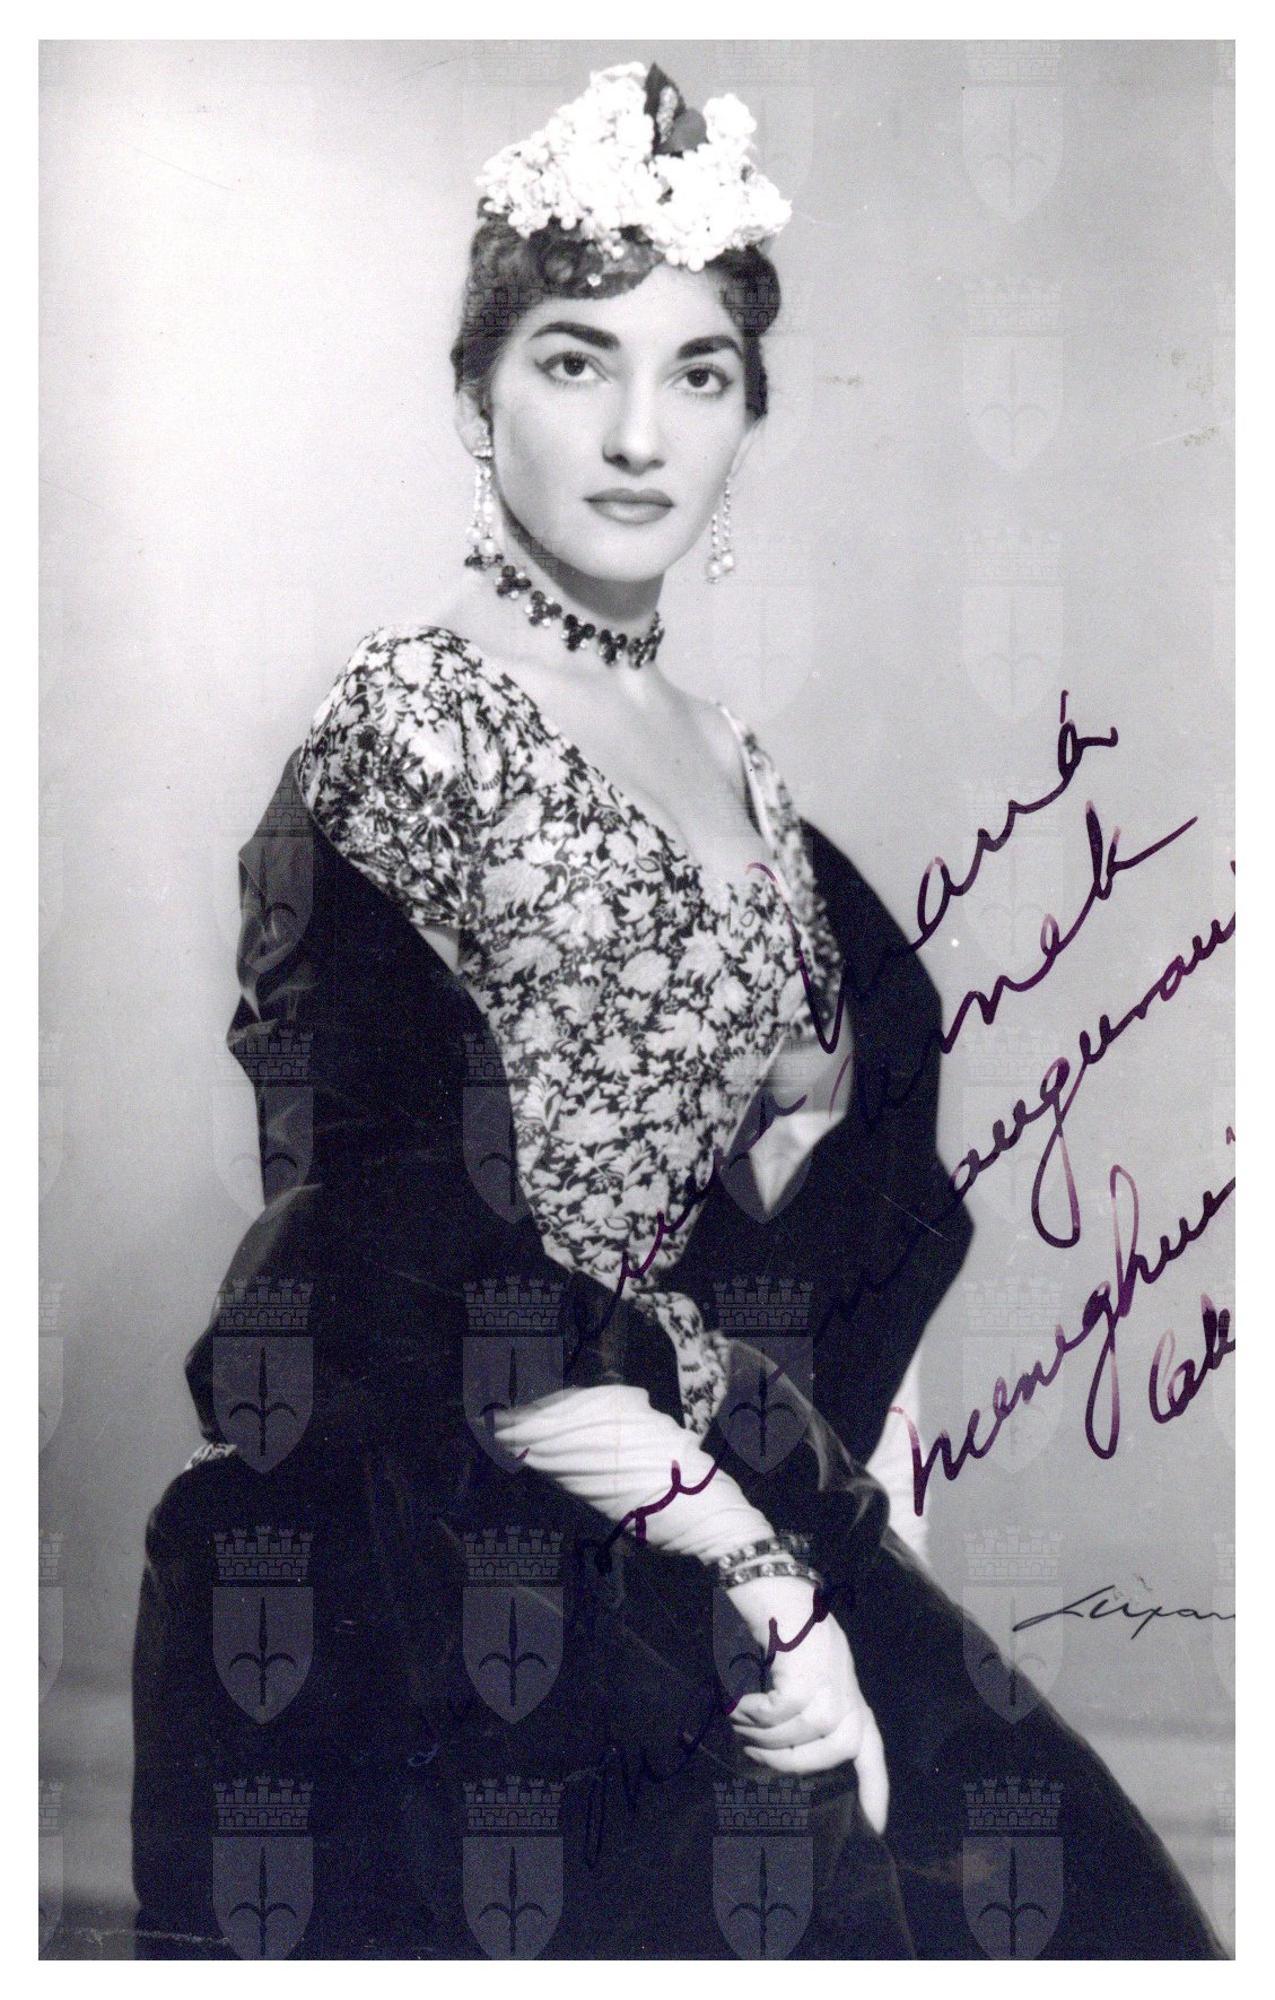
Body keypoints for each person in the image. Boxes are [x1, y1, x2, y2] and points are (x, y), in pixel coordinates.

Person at [130, 61, 1225, 1960]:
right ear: (475, 399)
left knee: (1074, 1908)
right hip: (453, 1513)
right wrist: (759, 1569)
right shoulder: (407, 730)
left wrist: (867, 1568)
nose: (640, 434)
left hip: (734, 1482)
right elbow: (392, 1227)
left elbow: (847, 1214)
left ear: (747, 414)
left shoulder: (748, 777)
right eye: (576, 362)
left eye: (699, 373)